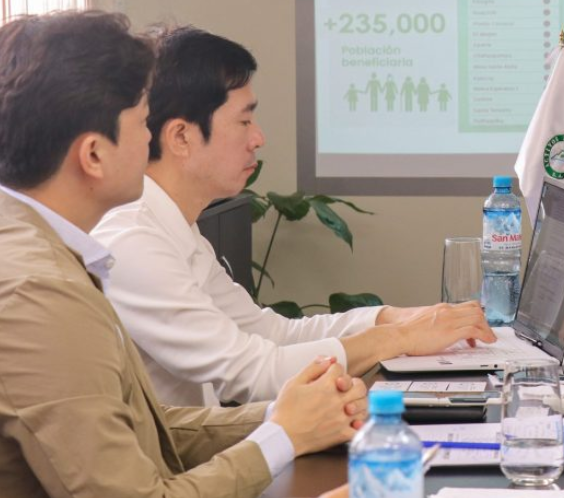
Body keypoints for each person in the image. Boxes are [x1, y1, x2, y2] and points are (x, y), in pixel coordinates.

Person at [0, 11, 367, 497]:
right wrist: (282, 436)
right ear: (93, 155)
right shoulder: (34, 295)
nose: (152, 139)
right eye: (142, 123)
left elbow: (136, 429)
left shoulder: (22, 244)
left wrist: (283, 418)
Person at [93, 26, 495, 407]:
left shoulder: (175, 229)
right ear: (181, 137)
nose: (258, 138)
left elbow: (272, 334)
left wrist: (392, 318)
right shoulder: (132, 240)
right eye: (244, 121)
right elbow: (249, 372)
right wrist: (400, 337)